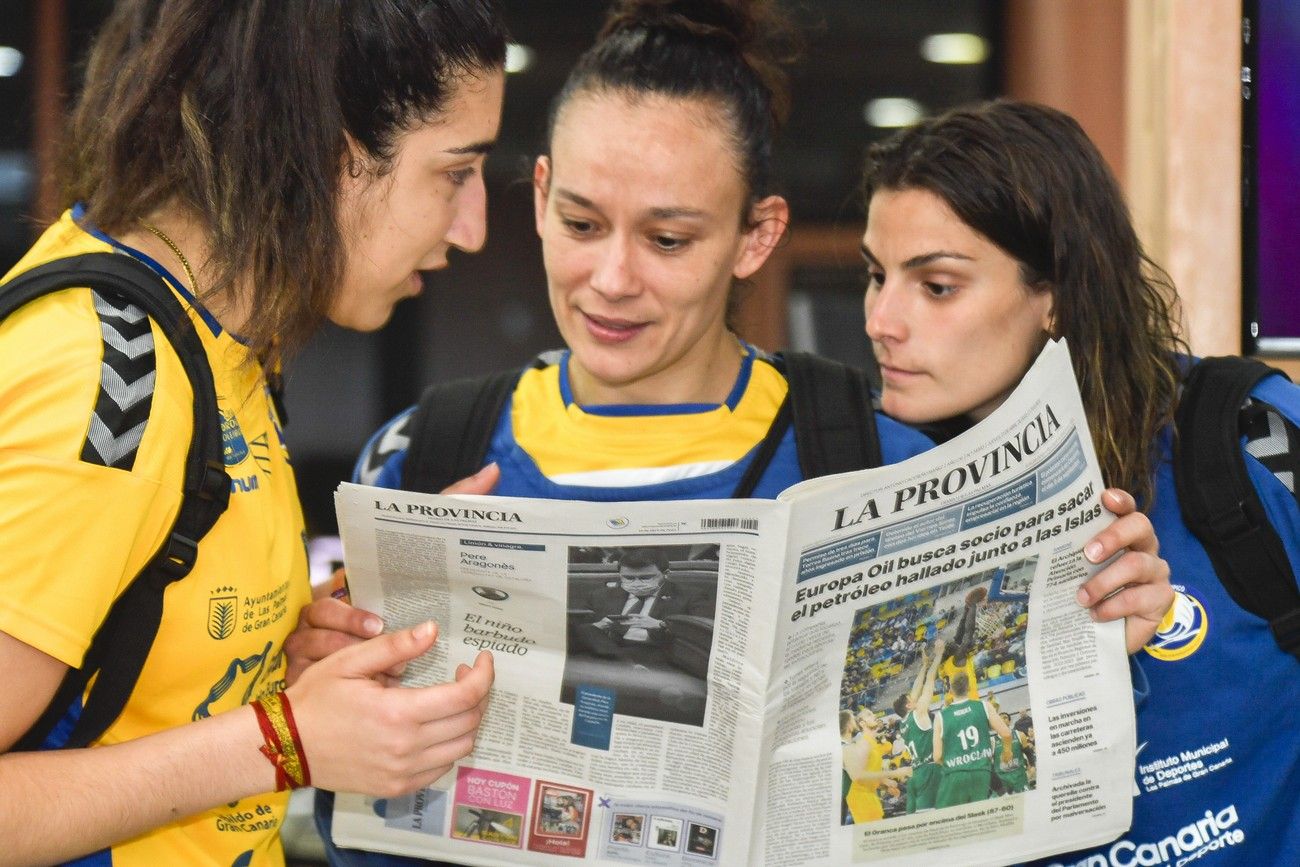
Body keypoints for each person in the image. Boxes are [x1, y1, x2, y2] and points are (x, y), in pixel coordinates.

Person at [298, 3, 1171, 862]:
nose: (611, 279)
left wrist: (1088, 631)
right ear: (537, 196)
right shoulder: (423, 456)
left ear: (757, 237)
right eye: (581, 223)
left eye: (669, 239)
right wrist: (315, 677)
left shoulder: (880, 460)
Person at [0, 1, 508, 863]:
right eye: (456, 172)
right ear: (331, 152)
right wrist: (283, 740)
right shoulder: (106, 375)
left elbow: (138, 702)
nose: (474, 227)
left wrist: (296, 669)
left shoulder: (223, 344)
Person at [859, 98, 1298, 863]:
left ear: (1054, 294)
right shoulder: (865, 481)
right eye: (874, 275)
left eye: (936, 286)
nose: (881, 319)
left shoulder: (1246, 434)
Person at [570, 547, 712, 660]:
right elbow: (579, 633)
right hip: (606, 655)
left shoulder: (691, 596)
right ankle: (626, 664)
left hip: (657, 657)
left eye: (646, 577)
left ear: (666, 574)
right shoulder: (600, 596)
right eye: (629, 578)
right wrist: (598, 627)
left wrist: (661, 626)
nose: (637, 583)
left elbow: (701, 635)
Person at [932, 671, 1012, 809]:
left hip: (957, 776)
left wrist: (954, 763)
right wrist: (1007, 751)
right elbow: (1006, 734)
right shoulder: (984, 706)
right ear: (969, 688)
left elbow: (937, 756)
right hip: (983, 772)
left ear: (950, 690)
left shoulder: (940, 716)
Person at [893, 637, 945, 813]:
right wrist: (938, 656)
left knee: (923, 815)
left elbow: (915, 689)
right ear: (909, 705)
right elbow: (930, 681)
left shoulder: (903, 723)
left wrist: (923, 665)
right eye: (911, 699)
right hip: (930, 769)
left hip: (917, 772)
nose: (913, 697)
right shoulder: (918, 712)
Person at [842, 706, 910, 823]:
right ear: (862, 723)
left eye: (873, 713)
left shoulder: (872, 742)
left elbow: (870, 771)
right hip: (861, 798)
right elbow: (859, 776)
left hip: (869, 796)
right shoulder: (863, 742)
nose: (874, 716)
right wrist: (895, 773)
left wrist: (884, 783)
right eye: (869, 714)